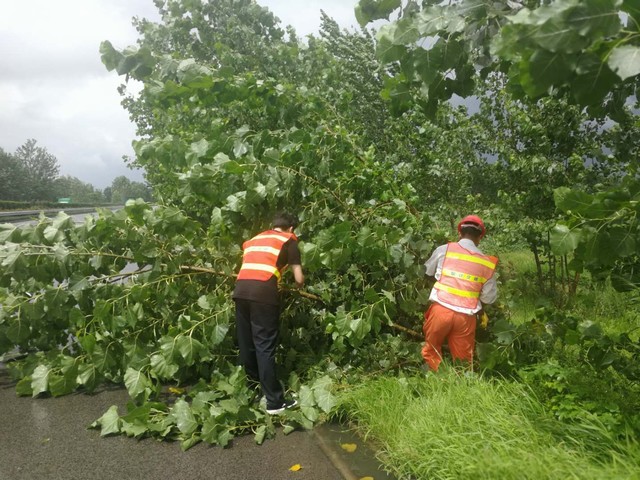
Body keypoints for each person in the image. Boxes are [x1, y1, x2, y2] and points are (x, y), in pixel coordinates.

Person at [232, 212, 304, 414]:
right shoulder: (289, 241)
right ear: (291, 229)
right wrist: (296, 285)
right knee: (264, 344)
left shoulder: (255, 239)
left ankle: (254, 389)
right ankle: (274, 402)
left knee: (247, 342)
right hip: (263, 291)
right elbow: (298, 278)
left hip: (240, 290)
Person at [422, 215, 498, 371]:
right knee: (463, 361)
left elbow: (427, 272)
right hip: (465, 317)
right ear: (480, 237)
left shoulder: (445, 250)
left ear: (460, 233)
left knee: (431, 350)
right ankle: (461, 386)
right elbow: (488, 298)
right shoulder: (486, 263)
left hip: (440, 311)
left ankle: (434, 380)